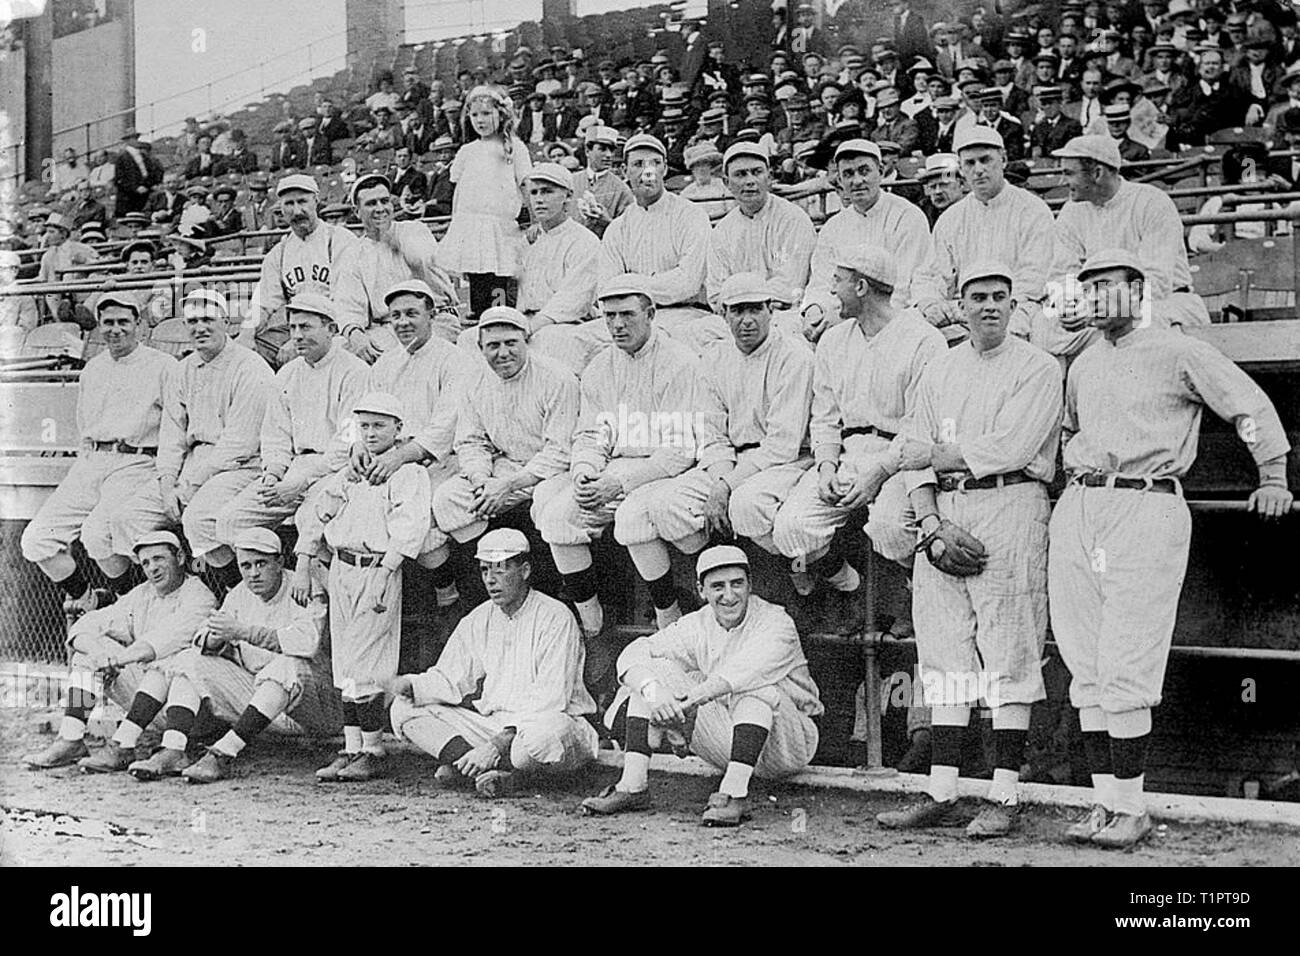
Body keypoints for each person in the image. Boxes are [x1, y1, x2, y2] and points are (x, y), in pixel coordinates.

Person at [1048, 249, 1292, 848]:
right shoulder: (1082, 362)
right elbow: (1072, 431)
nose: (1095, 297)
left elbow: (1249, 407)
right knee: (1085, 659)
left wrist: (1273, 476)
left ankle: (1130, 808)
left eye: (1107, 286)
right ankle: (1105, 804)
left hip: (1147, 501)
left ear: (1138, 290)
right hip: (1083, 503)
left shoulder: (1177, 348)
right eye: (1088, 287)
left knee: (1128, 653)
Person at [877, 262, 1062, 837]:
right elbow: (911, 446)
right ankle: (943, 790)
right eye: (977, 297)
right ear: (960, 305)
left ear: (1013, 305)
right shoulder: (939, 367)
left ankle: (1004, 794)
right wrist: (930, 522)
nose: (989, 306)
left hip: (1011, 504)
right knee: (944, 650)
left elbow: (1010, 447)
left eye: (999, 297)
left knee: (1009, 644)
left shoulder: (1039, 366)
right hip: (945, 510)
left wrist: (931, 456)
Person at [580, 545, 823, 826]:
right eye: (717, 586)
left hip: (789, 743)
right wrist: (656, 696)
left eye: (737, 584)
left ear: (750, 585)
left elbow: (743, 673)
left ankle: (734, 795)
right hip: (735, 744)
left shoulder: (776, 621)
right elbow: (634, 653)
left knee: (755, 690)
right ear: (701, 590)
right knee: (651, 678)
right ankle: (632, 787)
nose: (729, 595)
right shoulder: (697, 623)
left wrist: (688, 705)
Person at [772, 247, 945, 630]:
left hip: (903, 458)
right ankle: (849, 586)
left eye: (839, 282)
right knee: (791, 528)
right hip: (850, 452)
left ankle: (914, 593)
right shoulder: (834, 341)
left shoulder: (923, 340)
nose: (831, 292)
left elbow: (920, 427)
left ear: (862, 286)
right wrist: (826, 467)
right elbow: (826, 417)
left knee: (891, 525)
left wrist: (880, 473)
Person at [636, 274, 815, 618]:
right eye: (737, 311)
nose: (746, 320)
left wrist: (725, 487)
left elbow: (782, 444)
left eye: (754, 309)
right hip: (730, 461)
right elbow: (712, 433)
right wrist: (721, 478)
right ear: (722, 314)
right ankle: (717, 571)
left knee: (747, 506)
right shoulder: (714, 358)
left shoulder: (795, 357)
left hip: (783, 461)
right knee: (663, 505)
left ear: (770, 311)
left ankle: (802, 573)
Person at [534, 274, 702, 640]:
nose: (617, 325)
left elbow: (679, 450)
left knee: (632, 520)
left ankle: (668, 617)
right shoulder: (600, 367)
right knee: (558, 517)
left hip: (665, 471)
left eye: (626, 314)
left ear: (651, 312)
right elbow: (591, 434)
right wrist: (584, 471)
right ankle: (592, 626)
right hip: (614, 469)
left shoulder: (680, 363)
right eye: (609, 316)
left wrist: (618, 483)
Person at [103, 528, 339, 782]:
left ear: (279, 562)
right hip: (253, 704)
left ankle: (222, 753)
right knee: (186, 659)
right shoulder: (236, 593)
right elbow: (204, 636)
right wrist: (215, 639)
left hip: (316, 706)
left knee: (286, 665)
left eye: (261, 563)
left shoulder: (302, 587)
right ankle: (161, 747)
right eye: (246, 566)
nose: (253, 573)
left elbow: (306, 643)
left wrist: (243, 632)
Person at [389, 528, 598, 797]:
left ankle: (502, 772)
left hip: (550, 725)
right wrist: (410, 685)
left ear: (524, 571)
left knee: (537, 741)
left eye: (500, 569)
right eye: (485, 570)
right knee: (404, 708)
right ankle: (477, 768)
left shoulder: (556, 617)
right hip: (493, 727)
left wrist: (496, 745)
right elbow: (449, 678)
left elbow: (550, 699)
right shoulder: (480, 618)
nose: (491, 580)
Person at [293, 391, 432, 782]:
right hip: (342, 566)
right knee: (348, 665)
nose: (371, 433)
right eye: (365, 426)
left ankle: (373, 749)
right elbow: (321, 510)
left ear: (398, 430)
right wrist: (304, 561)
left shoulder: (408, 473)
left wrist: (384, 576)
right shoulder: (353, 469)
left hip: (377, 569)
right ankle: (352, 747)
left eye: (380, 425)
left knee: (370, 664)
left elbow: (410, 528)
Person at [20, 294, 176, 613]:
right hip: (92, 461)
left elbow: (175, 427)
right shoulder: (93, 368)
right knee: (36, 540)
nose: (115, 329)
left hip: (137, 461)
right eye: (108, 322)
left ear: (140, 325)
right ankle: (90, 600)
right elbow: (83, 424)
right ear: (99, 326)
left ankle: (128, 606)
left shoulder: (164, 366)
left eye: (123, 322)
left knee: (97, 534)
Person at [112, 289, 273, 595]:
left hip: (241, 467)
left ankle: (236, 596)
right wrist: (167, 482)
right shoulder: (183, 368)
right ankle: (173, 599)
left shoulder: (250, 367)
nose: (200, 327)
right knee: (127, 518)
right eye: (193, 321)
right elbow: (171, 435)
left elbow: (239, 445)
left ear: (226, 321)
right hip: (192, 465)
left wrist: (184, 490)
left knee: (199, 520)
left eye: (208, 319)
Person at [23, 531, 216, 771]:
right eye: (145, 563)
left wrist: (116, 660)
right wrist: (100, 655)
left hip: (192, 714)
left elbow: (161, 642)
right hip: (147, 704)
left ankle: (124, 744)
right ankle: (71, 739)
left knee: (172, 662)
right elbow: (85, 627)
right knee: (87, 654)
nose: (152, 568)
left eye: (159, 559)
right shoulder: (143, 593)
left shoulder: (199, 596)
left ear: (179, 557)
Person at [213, 293, 368, 556]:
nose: (296, 335)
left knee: (309, 521)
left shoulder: (355, 371)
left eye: (305, 327)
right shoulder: (287, 373)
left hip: (336, 470)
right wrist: (273, 474)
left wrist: (302, 480)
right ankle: (278, 580)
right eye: (293, 327)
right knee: (230, 522)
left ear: (331, 329)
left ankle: (319, 590)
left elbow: (348, 441)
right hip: (293, 468)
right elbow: (276, 436)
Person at [433, 305, 578, 558]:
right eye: (493, 345)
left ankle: (546, 580)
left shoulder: (557, 377)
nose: (503, 353)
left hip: (553, 471)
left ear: (526, 341)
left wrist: (508, 485)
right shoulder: (473, 381)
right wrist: (481, 481)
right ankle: (492, 572)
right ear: (480, 348)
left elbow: (560, 450)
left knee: (547, 501)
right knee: (448, 498)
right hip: (506, 467)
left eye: (511, 343)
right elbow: (471, 441)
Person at [357, 279, 468, 610]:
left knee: (419, 514)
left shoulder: (453, 359)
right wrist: (358, 446)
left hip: (438, 459)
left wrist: (401, 457)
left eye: (411, 314)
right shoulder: (385, 363)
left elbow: (446, 424)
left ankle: (448, 595)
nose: (403, 323)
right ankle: (386, 599)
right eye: (395, 316)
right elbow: (364, 413)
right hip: (392, 457)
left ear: (430, 314)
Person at [1049, 134, 1209, 352]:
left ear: (1097, 173)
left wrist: (1106, 308)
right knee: (1046, 325)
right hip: (1095, 307)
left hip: (1163, 302)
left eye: (1069, 173)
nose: (1062, 182)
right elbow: (1062, 273)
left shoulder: (1152, 202)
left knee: (1141, 323)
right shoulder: (1071, 211)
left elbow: (1156, 281)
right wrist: (1069, 306)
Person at [916, 126, 1055, 345]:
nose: (978, 169)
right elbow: (932, 274)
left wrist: (989, 307)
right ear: (961, 169)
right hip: (963, 309)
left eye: (985, 160)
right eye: (970, 163)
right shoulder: (952, 218)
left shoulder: (1032, 210)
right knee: (914, 332)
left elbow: (1033, 278)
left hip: (1017, 306)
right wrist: (931, 303)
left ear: (1004, 160)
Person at [598, 133, 730, 355]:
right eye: (638, 165)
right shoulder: (618, 228)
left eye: (655, 164)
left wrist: (631, 283)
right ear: (623, 171)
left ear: (665, 169)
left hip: (685, 314)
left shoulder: (691, 216)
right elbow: (607, 288)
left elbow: (688, 282)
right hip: (628, 319)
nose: (647, 173)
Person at [800, 139, 934, 343]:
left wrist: (858, 322)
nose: (857, 181)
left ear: (880, 171)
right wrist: (815, 310)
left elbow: (902, 288)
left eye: (864, 171)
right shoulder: (834, 227)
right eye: (848, 174)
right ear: (840, 180)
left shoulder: (907, 216)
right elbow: (821, 282)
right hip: (843, 320)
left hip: (894, 321)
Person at [334, 173, 457, 361]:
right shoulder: (353, 253)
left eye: (384, 201)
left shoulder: (414, 230)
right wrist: (355, 334)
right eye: (371, 203)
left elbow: (423, 261)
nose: (380, 209)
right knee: (341, 352)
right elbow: (348, 303)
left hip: (434, 319)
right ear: (356, 210)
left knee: (402, 356)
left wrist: (397, 243)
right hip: (388, 327)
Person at [240, 174, 360, 364]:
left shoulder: (340, 240)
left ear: (316, 201)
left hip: (336, 325)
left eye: (302, 201)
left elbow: (346, 303)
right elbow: (263, 303)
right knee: (243, 353)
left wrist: (298, 339)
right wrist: (246, 334)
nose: (297, 211)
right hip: (295, 327)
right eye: (289, 204)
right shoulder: (279, 252)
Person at [437, 85, 532, 323]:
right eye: (475, 115)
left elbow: (525, 184)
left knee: (499, 275)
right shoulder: (467, 151)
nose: (480, 120)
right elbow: (459, 188)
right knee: (477, 273)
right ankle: (479, 314)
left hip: (500, 225)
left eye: (487, 114)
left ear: (501, 114)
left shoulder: (513, 148)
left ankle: (499, 315)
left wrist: (530, 218)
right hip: (471, 223)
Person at [706, 142, 817, 338]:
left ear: (769, 177)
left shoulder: (792, 219)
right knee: (701, 334)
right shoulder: (722, 231)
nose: (750, 181)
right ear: (726, 182)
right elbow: (716, 291)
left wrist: (742, 298)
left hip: (784, 314)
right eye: (740, 174)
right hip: (735, 317)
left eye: (757, 172)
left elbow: (790, 284)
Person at [502, 162, 604, 374]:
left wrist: (529, 327)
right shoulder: (528, 241)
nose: (539, 199)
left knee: (546, 342)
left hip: (566, 324)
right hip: (527, 321)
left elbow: (573, 300)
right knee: (471, 340)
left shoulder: (583, 240)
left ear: (567, 197)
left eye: (547, 192)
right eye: (534, 192)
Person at [572, 124, 633, 238]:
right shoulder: (571, 181)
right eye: (602, 149)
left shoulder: (621, 189)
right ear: (587, 151)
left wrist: (607, 222)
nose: (609, 155)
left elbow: (629, 232)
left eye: (611, 150)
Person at [114, 130, 161, 216]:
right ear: (127, 141)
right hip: (129, 197)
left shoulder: (143, 156)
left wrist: (151, 184)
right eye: (133, 138)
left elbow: (149, 173)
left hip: (144, 193)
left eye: (136, 138)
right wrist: (136, 188)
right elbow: (120, 179)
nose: (136, 140)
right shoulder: (122, 157)